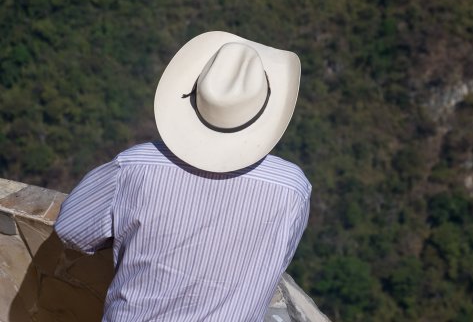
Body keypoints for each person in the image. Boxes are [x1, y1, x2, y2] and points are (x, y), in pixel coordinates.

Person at [55, 31, 311, 321]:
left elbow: (71, 231)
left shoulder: (133, 167)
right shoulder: (292, 188)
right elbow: (275, 259)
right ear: (264, 105)